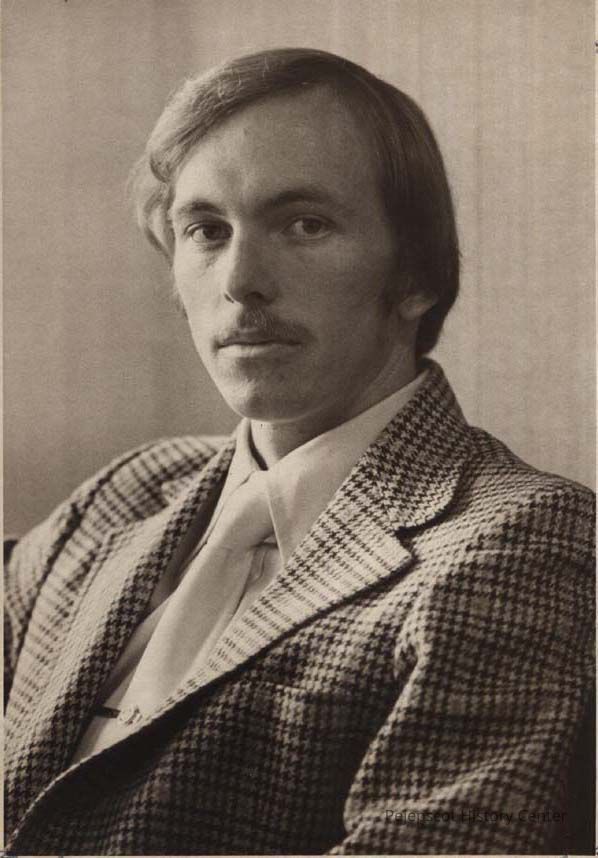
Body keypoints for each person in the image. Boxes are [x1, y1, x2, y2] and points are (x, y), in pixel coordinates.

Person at [4, 47, 594, 856]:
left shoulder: (521, 542)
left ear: (416, 274)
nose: (241, 279)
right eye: (206, 230)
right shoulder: (127, 492)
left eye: (303, 225)